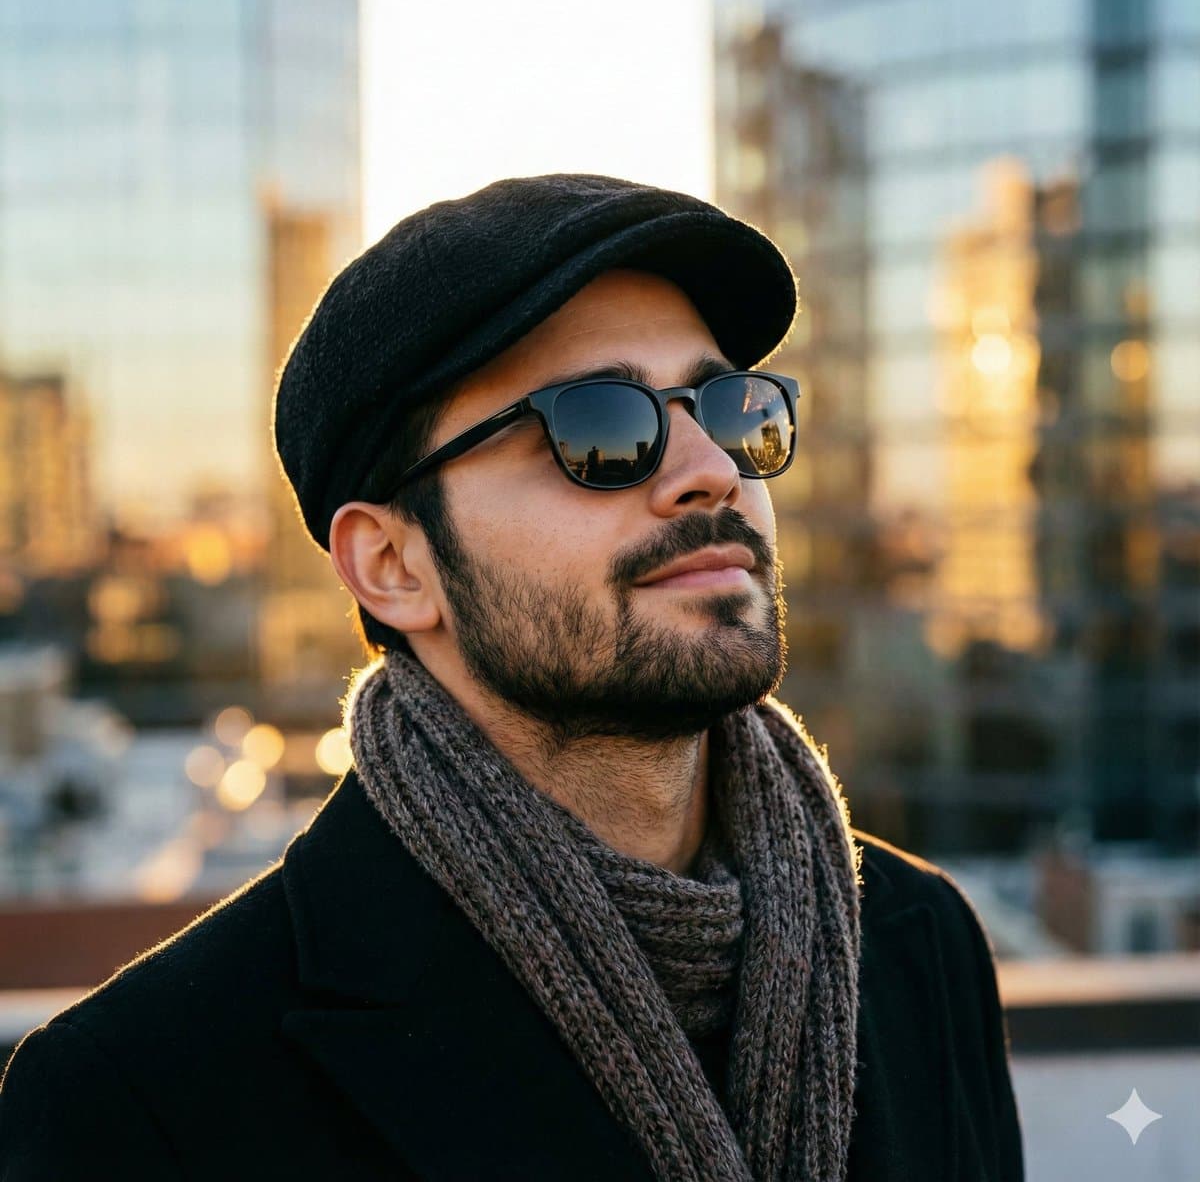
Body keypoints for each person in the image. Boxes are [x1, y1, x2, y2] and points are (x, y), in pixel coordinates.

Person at [0, 174, 1025, 1181]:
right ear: (394, 567)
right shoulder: (140, 1099)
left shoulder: (916, 942)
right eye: (600, 429)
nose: (713, 467)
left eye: (728, 407)